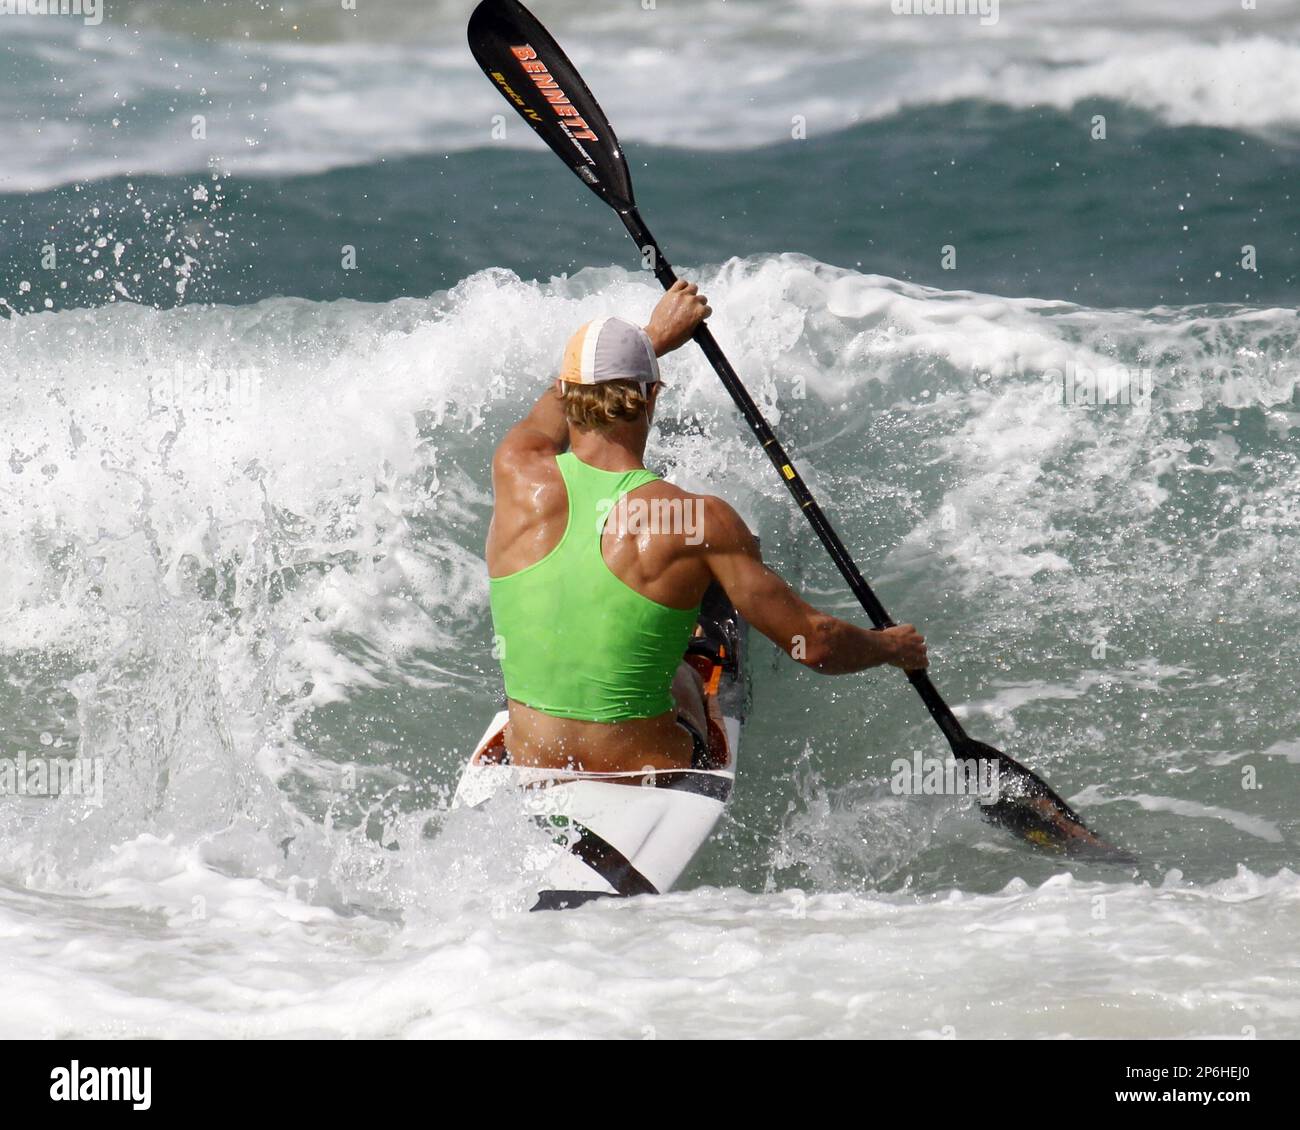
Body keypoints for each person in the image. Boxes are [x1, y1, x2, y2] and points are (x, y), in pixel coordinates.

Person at [487, 280, 927, 773]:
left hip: (532, 755)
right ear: (652, 395)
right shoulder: (699, 520)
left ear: (568, 394)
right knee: (686, 670)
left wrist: (650, 339)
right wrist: (892, 647)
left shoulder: (516, 467)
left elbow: (550, 408)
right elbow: (815, 643)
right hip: (644, 767)